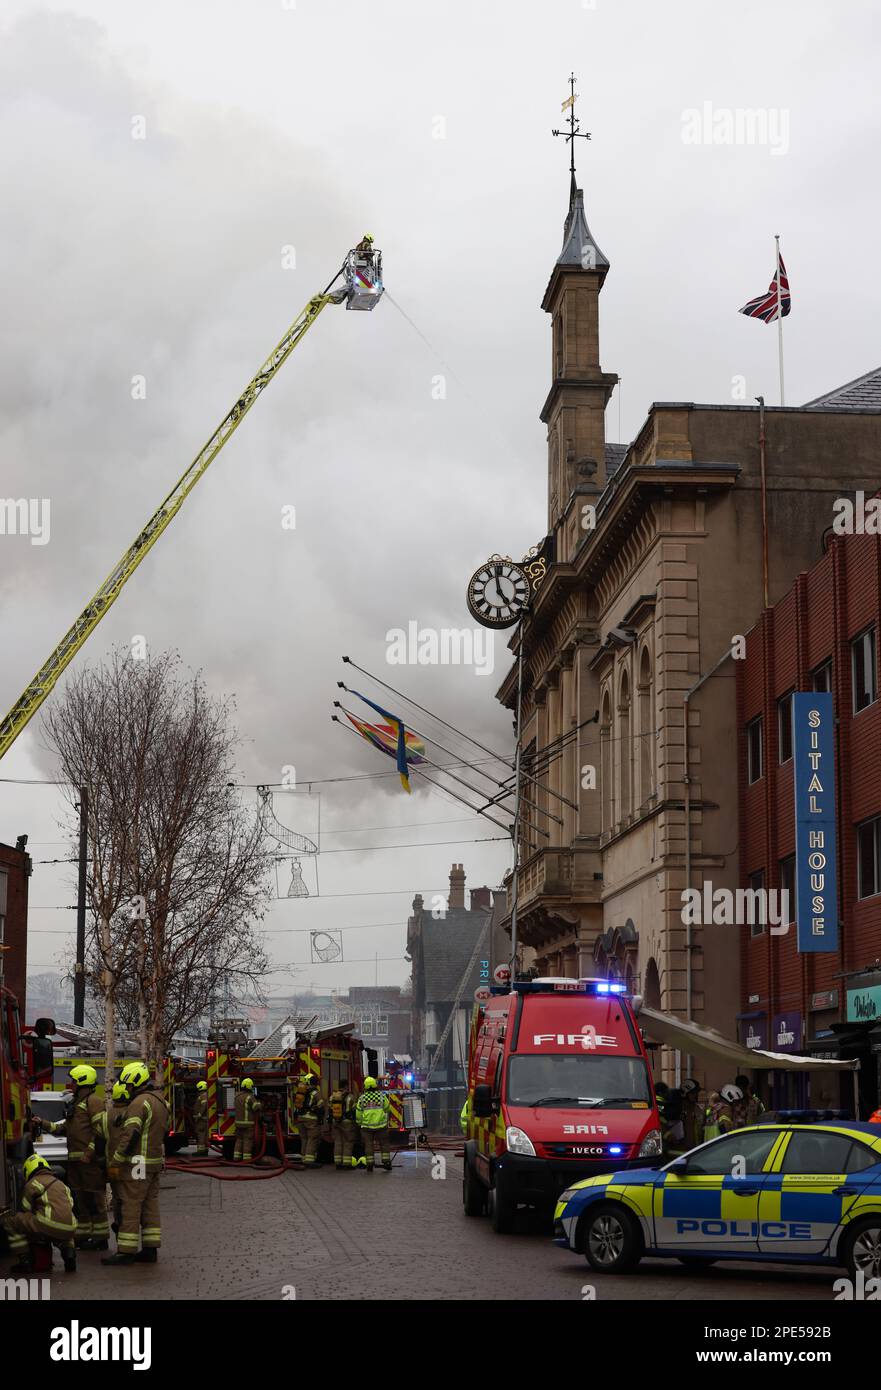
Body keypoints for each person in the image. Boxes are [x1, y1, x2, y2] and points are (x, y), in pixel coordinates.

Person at [101, 1061, 170, 1267]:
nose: (128, 1089)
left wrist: (116, 1161)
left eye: (129, 1085)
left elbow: (130, 1135)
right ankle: (150, 1249)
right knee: (150, 1206)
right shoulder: (160, 1101)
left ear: (136, 1083)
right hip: (154, 1162)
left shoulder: (138, 1103)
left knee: (131, 1205)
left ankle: (126, 1251)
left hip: (137, 1163)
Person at [38, 1061, 109, 1251]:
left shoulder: (94, 1101)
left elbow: (100, 1131)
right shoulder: (77, 1103)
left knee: (94, 1200)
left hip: (89, 1162)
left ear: (83, 1081)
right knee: (80, 1201)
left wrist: (89, 1153)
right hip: (76, 1162)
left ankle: (101, 1238)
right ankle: (85, 1236)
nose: (71, 1085)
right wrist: (42, 1123)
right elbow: (63, 1128)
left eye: (74, 1081)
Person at [2, 1153, 77, 1274]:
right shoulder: (61, 1184)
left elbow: (26, 1209)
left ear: (28, 1170)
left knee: (11, 1221)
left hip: (47, 1224)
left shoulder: (32, 1183)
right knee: (64, 1227)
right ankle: (69, 1254)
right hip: (70, 1227)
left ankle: (24, 1261)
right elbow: (69, 1205)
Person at [107, 1080, 129, 1238]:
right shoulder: (134, 1112)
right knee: (134, 1197)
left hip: (113, 1165)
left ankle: (119, 1224)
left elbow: (100, 1139)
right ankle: (130, 1226)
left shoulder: (106, 1115)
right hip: (136, 1165)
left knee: (117, 1196)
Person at [355, 1075, 391, 1172]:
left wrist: (359, 1123)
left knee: (368, 1145)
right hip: (381, 1126)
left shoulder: (362, 1098)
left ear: (365, 1086)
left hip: (366, 1127)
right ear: (375, 1085)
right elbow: (388, 1109)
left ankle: (370, 1164)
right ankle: (386, 1162)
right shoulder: (382, 1096)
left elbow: (358, 1113)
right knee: (384, 1144)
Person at [298, 1074, 326, 1168]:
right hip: (311, 1119)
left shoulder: (302, 1091)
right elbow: (322, 1102)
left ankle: (303, 1159)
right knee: (312, 1139)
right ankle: (309, 1161)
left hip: (301, 1118)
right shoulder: (315, 1092)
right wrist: (315, 1108)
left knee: (304, 1139)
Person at [329, 1079, 358, 1170]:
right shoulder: (350, 1097)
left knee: (338, 1142)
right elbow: (354, 1110)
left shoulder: (332, 1097)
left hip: (336, 1121)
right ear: (346, 1086)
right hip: (347, 1122)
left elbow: (330, 1108)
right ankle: (346, 1164)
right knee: (348, 1143)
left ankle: (338, 1163)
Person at [233, 1077, 262, 1163]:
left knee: (239, 1140)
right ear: (250, 1086)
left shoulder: (237, 1096)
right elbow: (256, 1107)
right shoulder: (250, 1097)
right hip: (248, 1124)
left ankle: (236, 1158)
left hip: (238, 1124)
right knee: (247, 1141)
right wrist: (260, 1103)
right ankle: (246, 1160)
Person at [680, 1078, 705, 1150]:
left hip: (696, 1149)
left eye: (697, 1092)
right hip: (682, 1151)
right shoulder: (679, 1110)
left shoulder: (698, 1109)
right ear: (685, 1093)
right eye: (693, 1093)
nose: (696, 1095)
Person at [193, 1080, 209, 1156]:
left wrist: (199, 1115)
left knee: (201, 1134)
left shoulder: (203, 1095)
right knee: (204, 1135)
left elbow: (204, 1105)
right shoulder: (206, 1095)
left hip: (202, 1120)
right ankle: (205, 1149)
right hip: (204, 1119)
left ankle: (201, 1151)